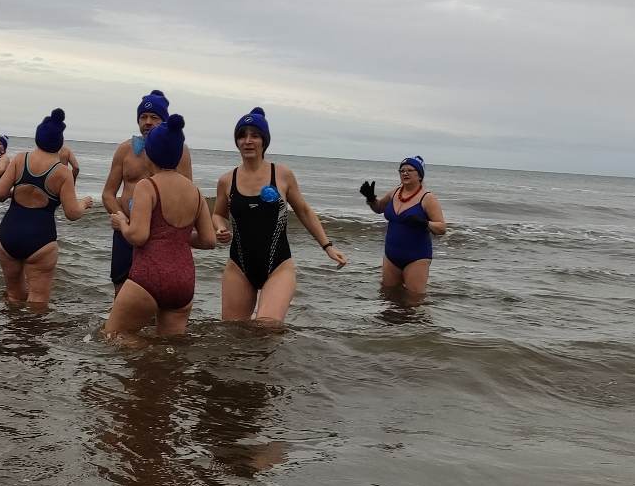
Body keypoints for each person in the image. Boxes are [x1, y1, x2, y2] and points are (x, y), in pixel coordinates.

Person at [212, 107, 347, 323]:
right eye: (242, 136)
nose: (248, 141)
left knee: (267, 327)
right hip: (238, 267)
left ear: (264, 141)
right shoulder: (227, 180)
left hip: (279, 266)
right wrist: (220, 227)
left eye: (255, 136)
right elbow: (218, 214)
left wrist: (327, 246)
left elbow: (304, 211)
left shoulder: (282, 175)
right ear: (237, 141)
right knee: (232, 331)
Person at [105, 115, 217, 337]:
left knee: (114, 336)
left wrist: (123, 223)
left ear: (150, 154)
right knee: (169, 346)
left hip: (149, 276)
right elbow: (209, 240)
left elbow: (138, 236)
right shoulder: (195, 192)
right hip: (183, 282)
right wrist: (175, 236)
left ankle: (142, 351)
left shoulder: (147, 186)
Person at [0, 109, 95, 308]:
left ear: (38, 137)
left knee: (13, 295)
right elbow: (72, 213)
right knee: (38, 301)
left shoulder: (20, 159)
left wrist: (16, 192)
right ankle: (32, 329)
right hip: (41, 240)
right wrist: (84, 203)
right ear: (59, 143)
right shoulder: (62, 173)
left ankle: (12, 327)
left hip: (9, 234)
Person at [102, 90, 193, 290]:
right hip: (125, 231)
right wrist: (121, 218)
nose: (148, 122)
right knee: (121, 289)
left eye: (154, 117)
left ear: (165, 121)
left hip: (160, 235)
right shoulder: (125, 150)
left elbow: (188, 196)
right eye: (143, 117)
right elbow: (108, 193)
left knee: (158, 291)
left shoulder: (180, 152)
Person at [362, 156, 447, 298]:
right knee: (388, 297)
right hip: (391, 256)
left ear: (419, 175)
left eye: (409, 170)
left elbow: (442, 228)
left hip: (417, 257)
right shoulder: (395, 192)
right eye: (402, 171)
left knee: (414, 300)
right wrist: (371, 199)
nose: (405, 173)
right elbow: (379, 208)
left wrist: (425, 223)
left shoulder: (428, 198)